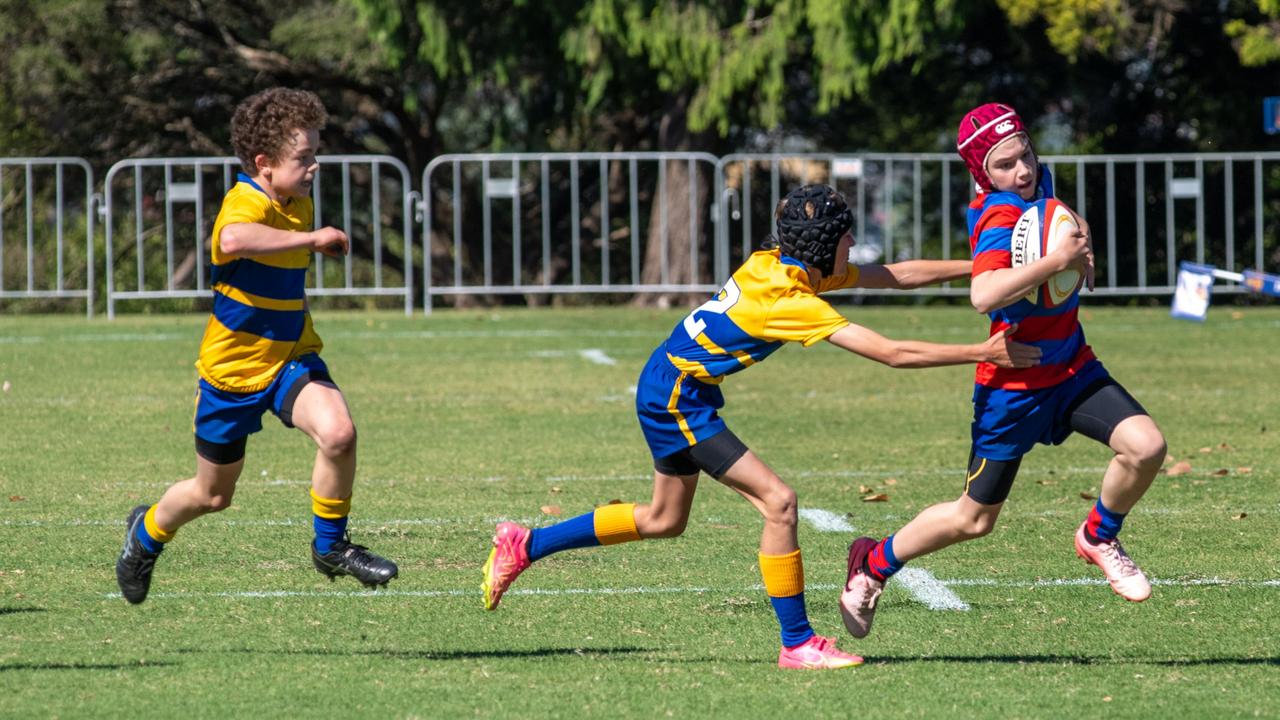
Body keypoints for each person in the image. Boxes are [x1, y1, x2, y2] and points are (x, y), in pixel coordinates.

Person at [481, 184, 1041, 669]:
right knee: (780, 502)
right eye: (846, 236)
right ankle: (797, 643)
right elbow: (890, 352)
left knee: (662, 519)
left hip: (670, 383)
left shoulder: (779, 263)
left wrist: (987, 268)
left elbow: (893, 275)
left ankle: (526, 543)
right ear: (825, 243)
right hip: (678, 398)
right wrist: (983, 351)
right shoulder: (791, 300)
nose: (853, 245)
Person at [839, 103, 1168, 640]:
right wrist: (1056, 260)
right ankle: (873, 564)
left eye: (1026, 156)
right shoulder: (997, 215)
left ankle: (1099, 535)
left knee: (1146, 446)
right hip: (1012, 387)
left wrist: (1080, 239)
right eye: (1005, 165)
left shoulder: (1038, 182)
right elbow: (983, 293)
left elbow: (1061, 214)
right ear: (981, 173)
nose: (1022, 171)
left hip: (1070, 367)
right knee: (974, 519)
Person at [115, 87, 398, 604]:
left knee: (339, 434)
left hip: (290, 356)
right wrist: (313, 241)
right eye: (304, 157)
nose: (314, 166)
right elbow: (232, 241)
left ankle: (331, 547)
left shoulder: (298, 198)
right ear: (264, 163)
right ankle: (146, 534)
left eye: (316, 154)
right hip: (232, 373)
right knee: (212, 496)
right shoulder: (245, 199)